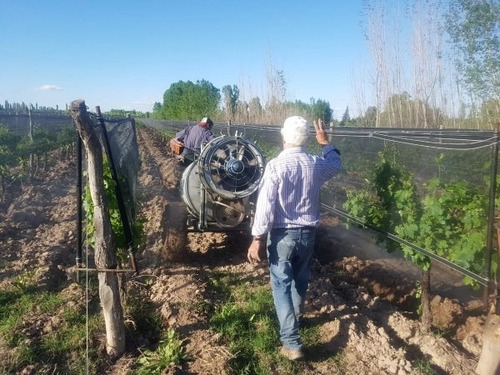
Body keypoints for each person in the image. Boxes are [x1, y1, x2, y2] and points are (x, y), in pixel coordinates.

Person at [246, 116, 341, 361]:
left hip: (282, 236)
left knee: (281, 286)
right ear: (307, 138)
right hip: (308, 235)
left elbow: (265, 206)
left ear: (283, 136)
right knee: (300, 279)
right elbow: (335, 165)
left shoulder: (276, 166)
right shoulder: (316, 164)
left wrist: (257, 238)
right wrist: (326, 143)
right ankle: (297, 317)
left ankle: (291, 342)